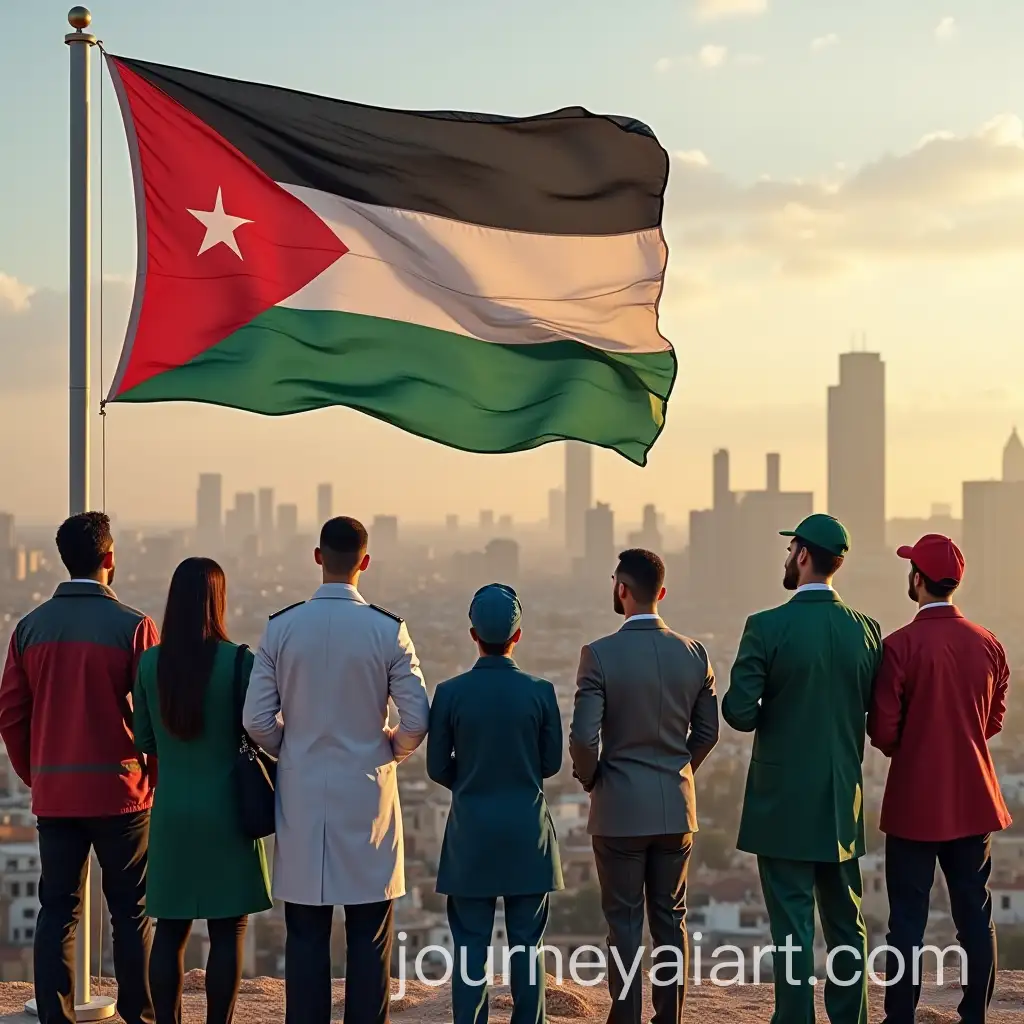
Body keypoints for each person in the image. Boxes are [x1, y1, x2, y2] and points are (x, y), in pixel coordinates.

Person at [243, 516, 430, 1024]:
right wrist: (390, 749)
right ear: (364, 563)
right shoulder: (388, 630)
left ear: (317, 556)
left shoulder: (282, 627)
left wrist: (294, 748)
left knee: (304, 930)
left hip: (302, 792)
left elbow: (256, 719)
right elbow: (417, 718)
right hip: (367, 793)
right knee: (370, 931)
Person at [722, 513, 881, 1024]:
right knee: (845, 919)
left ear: (804, 555)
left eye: (791, 548)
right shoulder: (866, 631)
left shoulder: (766, 626)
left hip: (782, 797)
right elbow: (875, 712)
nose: (787, 558)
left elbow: (740, 713)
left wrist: (781, 708)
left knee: (792, 924)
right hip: (840, 795)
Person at [0, 512, 158, 1024]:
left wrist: (35, 772)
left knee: (58, 910)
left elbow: (10, 713)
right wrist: (150, 773)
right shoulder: (134, 627)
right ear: (109, 559)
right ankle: (140, 1015)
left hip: (58, 791)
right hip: (122, 791)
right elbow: (155, 713)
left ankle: (56, 1016)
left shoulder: (29, 629)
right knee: (131, 912)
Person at [569, 549, 719, 1024]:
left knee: (625, 922)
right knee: (671, 920)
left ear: (621, 589)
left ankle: (627, 1016)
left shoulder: (599, 655)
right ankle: (669, 1017)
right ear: (662, 593)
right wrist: (681, 770)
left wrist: (594, 779)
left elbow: (582, 737)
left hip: (618, 809)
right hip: (676, 808)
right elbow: (709, 732)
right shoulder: (695, 653)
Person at [868, 535, 1011, 1024]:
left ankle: (900, 1017)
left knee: (907, 920)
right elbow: (992, 720)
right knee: (975, 914)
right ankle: (976, 1015)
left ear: (917, 579)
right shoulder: (988, 643)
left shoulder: (899, 646)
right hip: (974, 798)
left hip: (913, 801)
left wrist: (908, 747)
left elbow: (884, 728)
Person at [133, 557, 273, 1024]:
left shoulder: (151, 663)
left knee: (169, 928)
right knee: (227, 929)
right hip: (228, 813)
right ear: (218, 600)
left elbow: (145, 740)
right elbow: (259, 731)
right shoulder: (240, 663)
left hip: (172, 813)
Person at [427, 584, 563, 1024]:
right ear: (517, 636)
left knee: (469, 941)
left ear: (473, 634)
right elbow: (551, 762)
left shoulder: (450, 693)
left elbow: (435, 766)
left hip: (472, 830)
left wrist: (468, 781)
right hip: (527, 828)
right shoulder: (540, 692)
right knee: (528, 942)